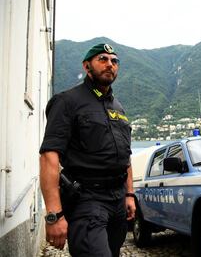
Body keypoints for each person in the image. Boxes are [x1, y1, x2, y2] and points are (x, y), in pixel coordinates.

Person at [39, 43, 136, 257]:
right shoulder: (67, 101)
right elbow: (49, 155)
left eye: (114, 61)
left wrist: (129, 194)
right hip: (87, 198)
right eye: (102, 59)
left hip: (118, 200)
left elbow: (125, 156)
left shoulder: (118, 107)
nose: (110, 64)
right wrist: (54, 215)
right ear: (87, 66)